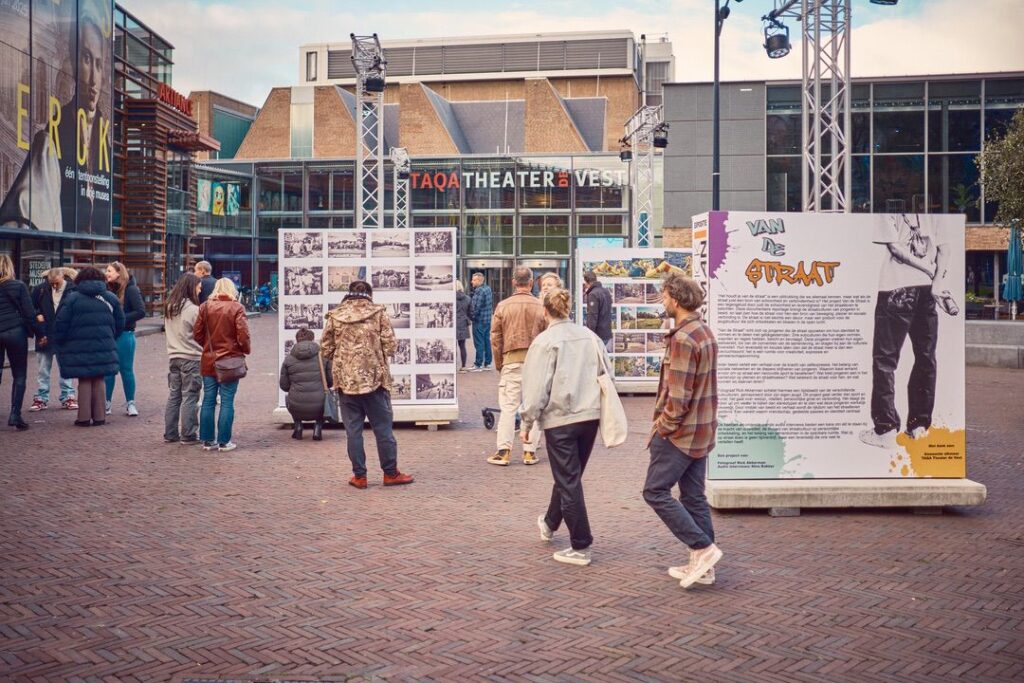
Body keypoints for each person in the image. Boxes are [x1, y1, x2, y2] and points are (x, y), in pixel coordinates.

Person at [643, 272, 722, 590]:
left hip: (680, 434)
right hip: (702, 430)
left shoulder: (682, 338)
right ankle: (704, 567)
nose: (662, 302)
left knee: (655, 492)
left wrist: (663, 427)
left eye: (663, 297)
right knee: (693, 496)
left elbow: (678, 397)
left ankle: (703, 549)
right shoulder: (704, 332)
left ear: (675, 299)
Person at [520, 288, 608, 567]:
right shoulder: (590, 337)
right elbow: (606, 372)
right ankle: (549, 523)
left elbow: (536, 388)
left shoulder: (545, 342)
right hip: (589, 417)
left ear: (545, 311)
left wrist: (527, 422)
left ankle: (581, 545)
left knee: (569, 479)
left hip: (561, 419)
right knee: (570, 475)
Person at [860, 214, 953, 449]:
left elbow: (895, 249)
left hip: (895, 287)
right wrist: (936, 280)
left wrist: (930, 274)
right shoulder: (935, 207)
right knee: (925, 357)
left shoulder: (888, 205)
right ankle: (919, 425)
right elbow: (945, 249)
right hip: (927, 291)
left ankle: (886, 429)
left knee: (885, 360)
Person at [321, 280, 413, 489]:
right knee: (383, 429)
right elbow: (390, 347)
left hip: (346, 383)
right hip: (374, 381)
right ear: (369, 295)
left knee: (353, 431)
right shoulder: (378, 313)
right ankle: (390, 473)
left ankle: (360, 476)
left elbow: (325, 349)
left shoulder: (335, 316)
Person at [488, 266, 547, 466]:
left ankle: (504, 451)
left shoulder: (503, 306)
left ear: (513, 282)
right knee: (534, 407)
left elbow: (495, 338)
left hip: (511, 360)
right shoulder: (541, 306)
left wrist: (500, 363)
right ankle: (529, 452)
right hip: (536, 362)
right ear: (531, 283)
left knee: (508, 407)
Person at [53, 267, 124, 427]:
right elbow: (120, 322)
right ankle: (99, 417)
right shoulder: (111, 298)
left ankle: (83, 417)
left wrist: (61, 341)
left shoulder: (72, 298)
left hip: (78, 345)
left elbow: (61, 323)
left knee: (84, 378)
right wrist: (110, 336)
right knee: (99, 378)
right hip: (104, 344)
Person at [193, 277, 251, 452]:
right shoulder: (236, 308)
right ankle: (224, 441)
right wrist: (244, 349)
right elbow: (243, 335)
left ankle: (207, 440)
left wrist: (207, 346)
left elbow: (197, 333)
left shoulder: (205, 307)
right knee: (227, 401)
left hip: (209, 360)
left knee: (208, 400)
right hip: (230, 361)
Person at [0, 255, 42, 429]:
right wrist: (40, 334)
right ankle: (15, 415)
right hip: (15, 332)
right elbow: (29, 314)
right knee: (19, 374)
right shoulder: (19, 286)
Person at [29, 267, 77, 412]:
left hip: (65, 334)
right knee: (43, 369)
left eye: (57, 283)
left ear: (63, 278)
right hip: (45, 333)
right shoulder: (40, 289)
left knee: (66, 367)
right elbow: (31, 306)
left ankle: (68, 396)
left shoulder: (73, 289)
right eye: (52, 283)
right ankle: (41, 398)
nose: (54, 286)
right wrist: (37, 314)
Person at [163, 273, 203, 445]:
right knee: (190, 396)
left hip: (173, 356)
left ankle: (170, 433)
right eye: (198, 286)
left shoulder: (170, 306)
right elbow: (201, 333)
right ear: (191, 287)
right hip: (191, 357)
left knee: (174, 396)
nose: (200, 289)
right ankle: (188, 434)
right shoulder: (193, 310)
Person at [104, 262, 144, 416]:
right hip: (109, 334)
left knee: (126, 370)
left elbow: (140, 311)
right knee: (108, 370)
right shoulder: (105, 289)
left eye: (109, 271)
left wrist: (120, 319)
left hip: (125, 334)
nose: (106, 273)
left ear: (119, 273)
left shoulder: (131, 289)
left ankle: (130, 403)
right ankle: (106, 403)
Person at [280, 327, 328, 441]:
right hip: (319, 403)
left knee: (289, 398)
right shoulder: (323, 358)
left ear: (297, 340)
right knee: (324, 399)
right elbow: (330, 381)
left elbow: (284, 386)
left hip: (297, 404)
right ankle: (318, 428)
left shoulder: (288, 359)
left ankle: (298, 426)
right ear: (312, 339)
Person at [583, 270, 613, 351]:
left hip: (598, 335)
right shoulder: (606, 291)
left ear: (586, 282)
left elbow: (592, 316)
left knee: (595, 361)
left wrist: (590, 335)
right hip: (607, 333)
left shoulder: (593, 294)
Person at [470, 272, 493, 371]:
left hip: (479, 321)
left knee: (479, 343)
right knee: (486, 341)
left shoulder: (479, 291)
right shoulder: (488, 288)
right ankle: (487, 363)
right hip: (487, 320)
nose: (472, 282)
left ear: (479, 281)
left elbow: (475, 307)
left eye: (474, 280)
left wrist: (472, 317)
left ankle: (478, 364)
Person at [455, 280, 474, 373]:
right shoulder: (467, 298)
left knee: (452, 346)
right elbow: (471, 313)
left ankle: (452, 366)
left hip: (452, 323)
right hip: (463, 323)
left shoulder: (450, 298)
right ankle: (463, 366)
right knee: (462, 346)